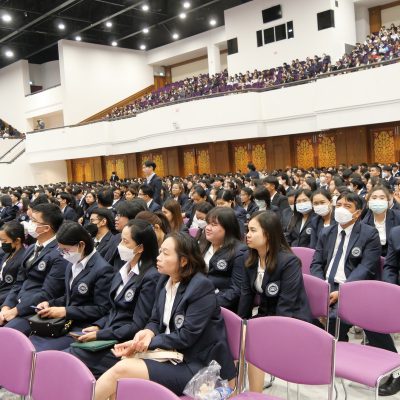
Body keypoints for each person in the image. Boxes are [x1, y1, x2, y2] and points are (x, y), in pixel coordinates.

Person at [93, 232, 236, 399]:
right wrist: (148, 332)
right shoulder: (163, 280)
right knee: (121, 368)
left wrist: (147, 343)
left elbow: (186, 336)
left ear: (183, 261)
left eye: (165, 253)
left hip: (197, 365)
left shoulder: (201, 287)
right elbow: (155, 320)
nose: (158, 257)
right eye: (160, 251)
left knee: (122, 370)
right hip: (170, 354)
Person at [66, 219, 160, 378]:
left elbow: (137, 325)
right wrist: (98, 326)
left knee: (71, 359)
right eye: (121, 240)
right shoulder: (123, 269)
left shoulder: (150, 277)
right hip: (109, 333)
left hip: (123, 342)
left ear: (140, 248)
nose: (120, 246)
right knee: (69, 353)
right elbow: (113, 309)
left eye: (125, 242)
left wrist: (101, 335)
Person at [310, 192, 396, 352]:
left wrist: (343, 291)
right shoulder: (326, 232)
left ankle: (333, 351)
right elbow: (316, 263)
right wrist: (321, 288)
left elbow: (366, 268)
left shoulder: (369, 234)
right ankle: (328, 350)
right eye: (339, 205)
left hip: (352, 287)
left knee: (337, 317)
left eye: (347, 206)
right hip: (325, 285)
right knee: (301, 312)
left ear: (357, 213)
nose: (341, 209)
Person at [238, 211, 312, 392]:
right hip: (266, 315)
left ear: (269, 234)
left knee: (254, 343)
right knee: (234, 338)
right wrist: (240, 324)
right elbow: (246, 295)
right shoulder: (249, 259)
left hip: (292, 319)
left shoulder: (289, 262)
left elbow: (287, 304)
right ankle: (236, 391)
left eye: (253, 230)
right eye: (247, 230)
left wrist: (273, 333)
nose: (247, 235)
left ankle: (255, 394)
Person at [29, 221, 113, 351]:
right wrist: (49, 304)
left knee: (42, 350)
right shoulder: (71, 263)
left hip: (83, 326)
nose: (63, 253)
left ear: (81, 245)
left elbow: (101, 309)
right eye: (60, 249)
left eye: (66, 250)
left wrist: (65, 311)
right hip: (63, 321)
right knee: (29, 343)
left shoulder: (102, 270)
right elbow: (70, 297)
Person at [0, 203, 68, 334]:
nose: (29, 224)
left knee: (6, 336)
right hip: (16, 304)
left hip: (34, 310)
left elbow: (48, 293)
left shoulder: (60, 254)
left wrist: (16, 310)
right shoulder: (31, 248)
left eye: (33, 221)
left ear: (46, 228)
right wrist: (6, 307)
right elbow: (19, 282)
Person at [200, 207, 247, 311]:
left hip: (220, 306)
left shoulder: (239, 252)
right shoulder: (203, 244)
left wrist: (208, 303)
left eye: (214, 225)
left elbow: (236, 290)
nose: (208, 228)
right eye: (208, 223)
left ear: (228, 227)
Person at [381, 224, 400, 395]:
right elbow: (390, 267)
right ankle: (396, 369)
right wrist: (391, 291)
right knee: (372, 315)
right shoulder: (396, 232)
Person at [362, 185, 400, 257]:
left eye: (382, 198)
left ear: (388, 201)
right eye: (374, 198)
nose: (378, 200)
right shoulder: (364, 223)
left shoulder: (398, 217)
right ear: (368, 201)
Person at [0, 221, 26, 304]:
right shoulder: (7, 253)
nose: (2, 244)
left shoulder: (23, 258)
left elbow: (16, 287)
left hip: (6, 298)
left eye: (4, 241)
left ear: (17, 240)